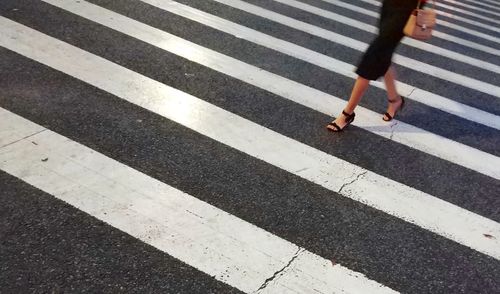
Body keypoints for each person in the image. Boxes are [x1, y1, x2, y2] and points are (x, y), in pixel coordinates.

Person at [327, 0, 425, 132]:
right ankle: (395, 100)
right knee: (383, 52)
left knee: (374, 55)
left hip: (407, 8)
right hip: (390, 4)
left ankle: (347, 114)